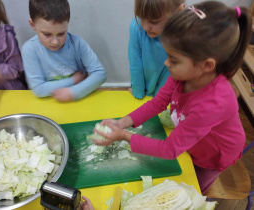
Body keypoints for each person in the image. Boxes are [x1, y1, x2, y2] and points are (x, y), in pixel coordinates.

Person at [93, 1, 251, 195]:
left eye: (174, 60)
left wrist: (124, 137)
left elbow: (170, 149)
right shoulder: (182, 75)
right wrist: (122, 123)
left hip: (214, 154)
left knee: (192, 190)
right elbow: (158, 102)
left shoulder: (212, 103)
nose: (166, 63)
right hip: (194, 140)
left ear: (206, 65)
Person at [21, 0, 107, 102]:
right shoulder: (30, 49)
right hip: (48, 103)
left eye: (61, 34)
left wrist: (73, 92)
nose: (55, 42)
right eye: (47, 34)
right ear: (32, 25)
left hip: (80, 100)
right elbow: (39, 89)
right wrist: (73, 80)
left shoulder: (77, 43)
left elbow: (100, 74)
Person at [128, 0, 185, 99]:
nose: (145, 27)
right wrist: (138, 91)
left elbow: (173, 71)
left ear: (178, 12)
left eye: (154, 22)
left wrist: (160, 96)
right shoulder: (137, 27)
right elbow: (135, 63)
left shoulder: (183, 34)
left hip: (171, 91)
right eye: (141, 18)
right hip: (147, 90)